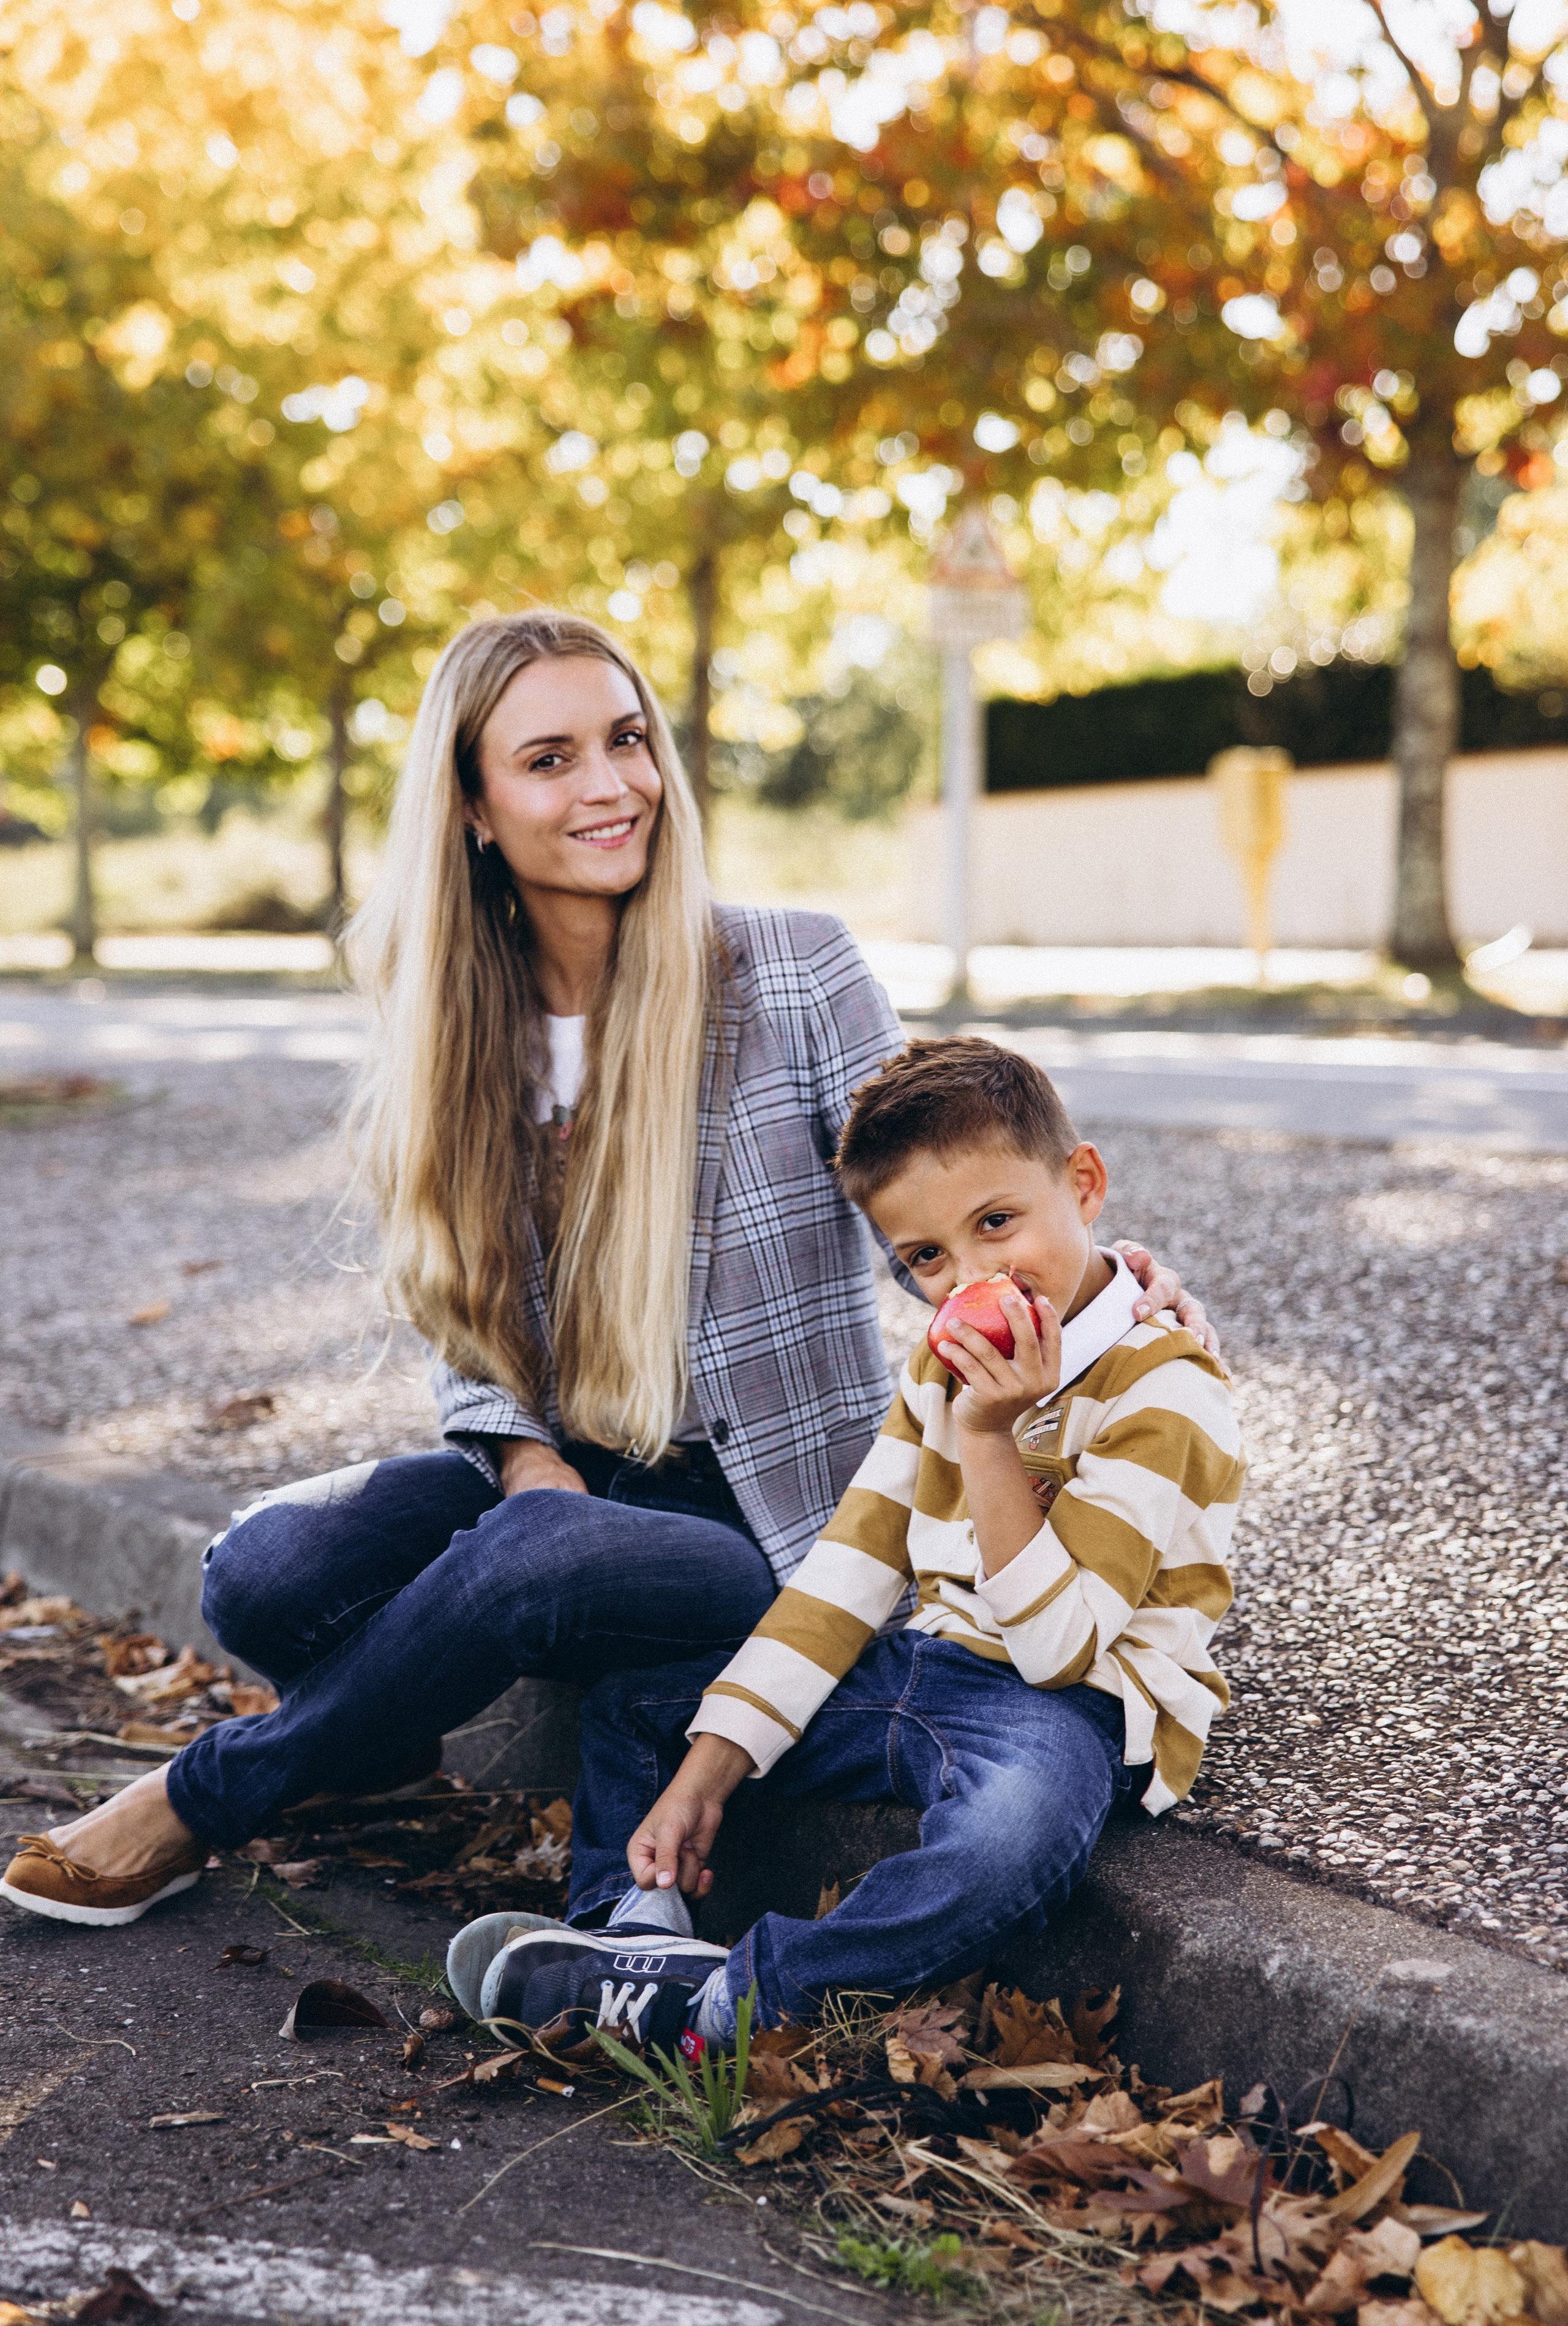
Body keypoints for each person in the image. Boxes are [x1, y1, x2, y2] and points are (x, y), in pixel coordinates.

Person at [1, 615, 1215, 1931]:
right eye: (550, 759)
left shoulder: (795, 971)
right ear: (473, 807)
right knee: (263, 1570)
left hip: (757, 1518)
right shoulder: (456, 1021)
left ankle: (201, 1797)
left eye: (627, 741)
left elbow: (938, 1196)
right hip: (569, 1480)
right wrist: (527, 1459)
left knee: (531, 1558)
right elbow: (461, 1313)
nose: (611, 785)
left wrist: (1094, 1282)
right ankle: (375, 1744)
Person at [454, 1037, 1243, 2056]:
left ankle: (739, 2001)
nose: (972, 1276)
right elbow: (848, 1571)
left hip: (1075, 1709)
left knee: (1013, 1838)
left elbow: (1060, 1652)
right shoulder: (942, 1364)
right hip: (931, 1668)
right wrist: (707, 1772)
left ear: (1083, 1185)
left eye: (996, 1222)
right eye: (927, 1258)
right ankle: (627, 1937)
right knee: (641, 1710)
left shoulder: (1161, 1387)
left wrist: (990, 1438)